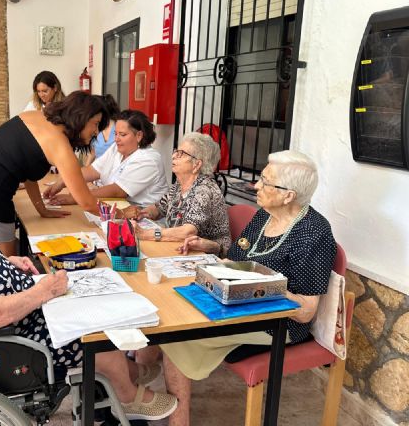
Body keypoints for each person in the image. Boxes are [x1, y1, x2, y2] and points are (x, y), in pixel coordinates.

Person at [0, 155, 178, 421]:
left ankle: (126, 376)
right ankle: (126, 394)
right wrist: (42, 292)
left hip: (22, 309)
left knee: (100, 297)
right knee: (96, 334)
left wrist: (6, 262)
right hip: (10, 341)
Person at [161, 150, 336, 425]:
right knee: (171, 308)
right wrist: (209, 248)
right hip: (237, 304)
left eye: (266, 182)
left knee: (178, 336)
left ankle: (177, 421)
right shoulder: (264, 216)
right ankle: (136, 391)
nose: (256, 186)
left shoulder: (314, 234)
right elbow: (235, 259)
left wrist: (263, 285)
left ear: (289, 195)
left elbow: (305, 312)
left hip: (275, 324)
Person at [0, 91, 115, 257]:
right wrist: (121, 215)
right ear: (81, 117)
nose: (96, 131)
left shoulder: (34, 117)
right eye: (95, 123)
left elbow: (26, 172)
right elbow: (87, 202)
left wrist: (41, 208)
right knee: (7, 262)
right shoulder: (59, 143)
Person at [127, 133, 231, 253]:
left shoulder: (204, 190)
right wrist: (141, 213)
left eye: (181, 154)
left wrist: (145, 234)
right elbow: (159, 208)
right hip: (180, 248)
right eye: (176, 151)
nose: (173, 156)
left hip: (208, 255)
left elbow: (188, 231)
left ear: (197, 164)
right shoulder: (180, 184)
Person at [44, 110, 168, 207]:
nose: (116, 139)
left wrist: (76, 198)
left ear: (139, 135)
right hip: (117, 206)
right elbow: (93, 171)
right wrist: (63, 180)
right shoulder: (117, 148)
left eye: (123, 135)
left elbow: (118, 191)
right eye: (116, 134)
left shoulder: (149, 159)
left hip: (144, 214)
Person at [84, 94, 121, 165]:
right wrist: (86, 167)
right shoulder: (94, 127)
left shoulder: (119, 127)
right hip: (98, 171)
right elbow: (93, 153)